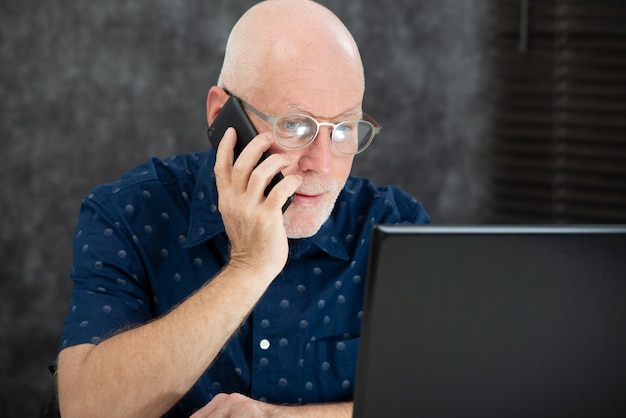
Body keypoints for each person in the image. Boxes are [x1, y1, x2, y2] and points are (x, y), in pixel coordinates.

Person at [52, 0, 430, 416]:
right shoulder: (128, 213)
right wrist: (248, 268)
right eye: (295, 125)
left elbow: (437, 398)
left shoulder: (394, 226)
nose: (322, 163)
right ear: (222, 115)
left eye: (344, 129)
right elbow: (85, 410)